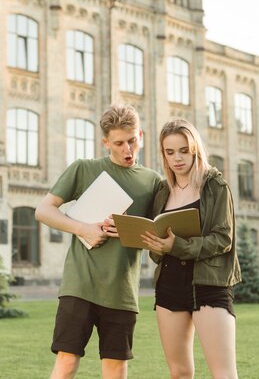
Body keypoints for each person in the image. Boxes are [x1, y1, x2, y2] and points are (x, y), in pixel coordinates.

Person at [35, 104, 162, 379]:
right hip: (79, 284)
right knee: (66, 363)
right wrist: (84, 229)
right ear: (106, 142)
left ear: (140, 134)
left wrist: (133, 229)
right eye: (118, 143)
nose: (127, 149)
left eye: (132, 140)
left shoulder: (153, 181)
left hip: (122, 290)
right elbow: (43, 210)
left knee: (115, 370)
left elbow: (158, 234)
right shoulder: (83, 168)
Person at [140, 119, 241, 379]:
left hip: (209, 284)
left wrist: (178, 245)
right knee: (180, 373)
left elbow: (223, 239)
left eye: (184, 150)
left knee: (224, 374)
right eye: (170, 152)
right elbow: (157, 249)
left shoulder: (215, 186)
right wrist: (158, 246)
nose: (177, 158)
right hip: (169, 286)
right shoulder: (162, 192)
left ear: (195, 148)